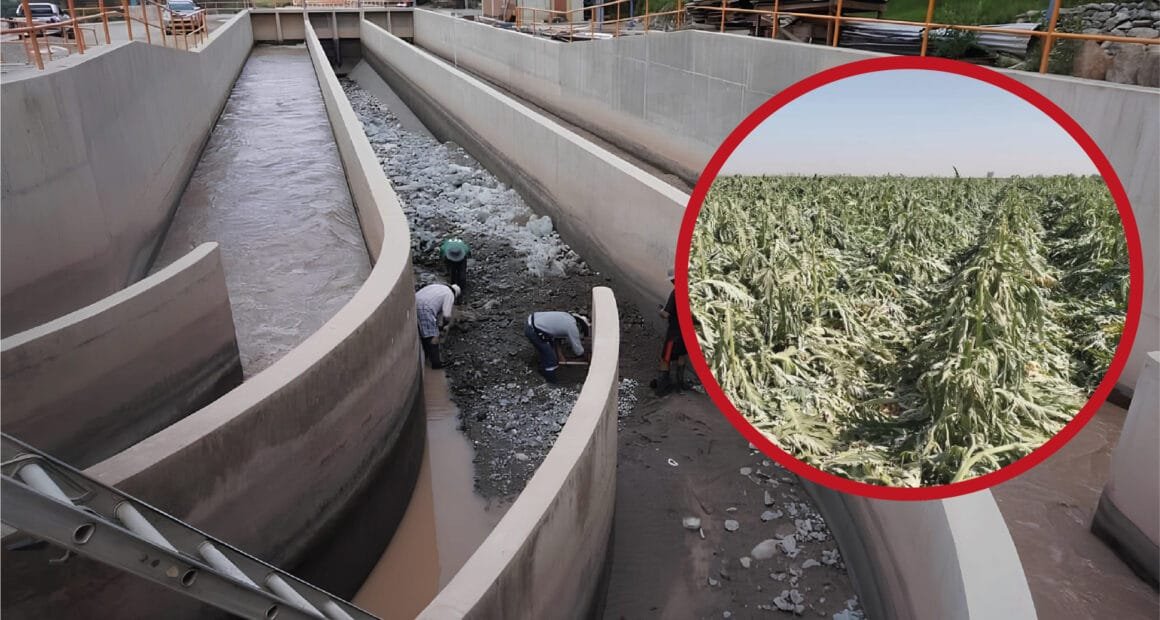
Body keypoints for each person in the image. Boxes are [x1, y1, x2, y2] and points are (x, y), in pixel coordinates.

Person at [653, 268, 691, 395]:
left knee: (666, 358)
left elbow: (666, 314)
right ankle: (680, 383)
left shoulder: (676, 293)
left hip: (674, 333)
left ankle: (663, 386)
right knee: (682, 356)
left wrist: (660, 311)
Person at [525, 311, 590, 383]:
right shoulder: (572, 327)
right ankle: (551, 382)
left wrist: (560, 356)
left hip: (532, 321)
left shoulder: (567, 316)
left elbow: (557, 338)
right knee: (551, 359)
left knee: (549, 351)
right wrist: (587, 358)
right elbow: (578, 350)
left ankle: (543, 366)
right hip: (534, 330)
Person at [416, 282, 461, 369]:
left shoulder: (437, 286)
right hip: (425, 308)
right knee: (433, 337)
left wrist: (437, 325)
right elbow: (446, 315)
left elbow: (437, 312)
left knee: (426, 334)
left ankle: (427, 355)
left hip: (415, 302)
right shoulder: (450, 294)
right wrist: (443, 326)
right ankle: (436, 364)